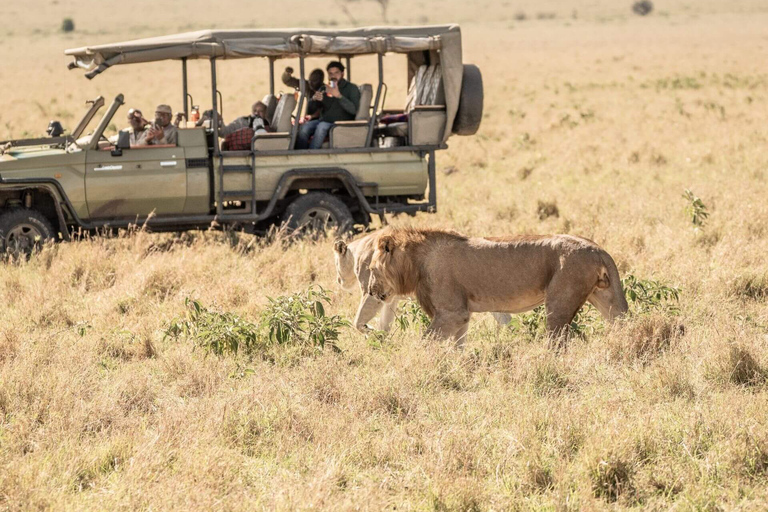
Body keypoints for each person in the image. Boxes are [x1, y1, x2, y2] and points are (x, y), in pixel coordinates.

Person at [296, 61, 360, 150]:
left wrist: (339, 96)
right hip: (324, 120)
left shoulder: (351, 88)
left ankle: (312, 154)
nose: (333, 76)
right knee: (304, 128)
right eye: (330, 73)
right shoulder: (324, 88)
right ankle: (300, 154)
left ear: (342, 74)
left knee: (321, 127)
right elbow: (311, 109)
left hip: (341, 122)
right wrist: (314, 99)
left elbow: (354, 110)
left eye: (336, 73)